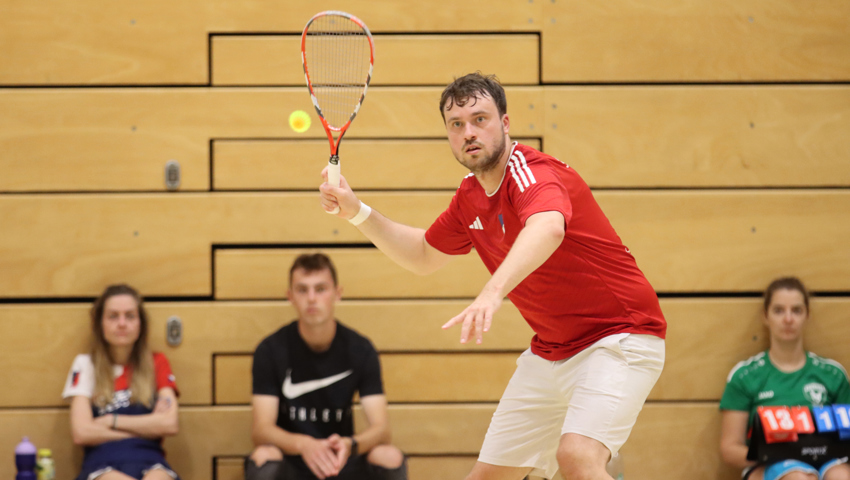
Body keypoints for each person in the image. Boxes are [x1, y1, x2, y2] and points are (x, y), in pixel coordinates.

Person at [319, 72, 667, 480]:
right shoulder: (469, 196)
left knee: (577, 457)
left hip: (620, 336)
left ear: (504, 123)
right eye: (456, 124)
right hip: (552, 351)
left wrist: (492, 292)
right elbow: (424, 254)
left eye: (480, 119)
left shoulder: (529, 172)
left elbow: (548, 226)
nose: (469, 132)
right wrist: (357, 212)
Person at [247, 253, 407, 480]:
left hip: (341, 458)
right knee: (264, 457)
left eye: (320, 289)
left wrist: (350, 445)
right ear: (290, 296)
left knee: (389, 457)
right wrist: (304, 445)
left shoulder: (360, 349)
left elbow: (382, 430)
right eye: (302, 290)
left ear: (337, 294)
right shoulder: (270, 350)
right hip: (294, 458)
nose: (312, 298)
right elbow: (261, 430)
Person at [720, 277, 850, 480]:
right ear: (766, 316)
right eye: (779, 310)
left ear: (807, 315)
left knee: (842, 476)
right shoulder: (745, 375)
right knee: (798, 477)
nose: (788, 319)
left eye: (796, 310)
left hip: (826, 461)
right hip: (768, 465)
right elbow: (729, 449)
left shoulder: (833, 374)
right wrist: (778, 453)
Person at [62, 284, 180, 480]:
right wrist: (146, 428)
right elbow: (81, 432)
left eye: (130, 316)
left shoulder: (157, 362)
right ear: (100, 324)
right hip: (101, 464)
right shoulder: (85, 365)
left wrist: (111, 421)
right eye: (113, 316)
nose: (122, 323)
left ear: (140, 323)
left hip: (152, 462)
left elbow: (169, 424)